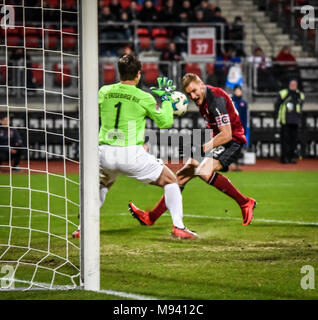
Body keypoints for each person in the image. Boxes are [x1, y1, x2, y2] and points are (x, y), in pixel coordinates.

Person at [73, 55, 197, 239]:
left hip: (103, 153)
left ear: (119, 72)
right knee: (171, 181)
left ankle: (82, 229)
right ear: (138, 74)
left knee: (101, 184)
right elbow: (165, 122)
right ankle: (178, 227)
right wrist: (165, 100)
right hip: (130, 153)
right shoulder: (143, 96)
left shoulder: (104, 91)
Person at [129, 73, 256, 228]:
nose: (193, 96)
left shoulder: (216, 100)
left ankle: (245, 202)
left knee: (203, 171)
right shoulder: (203, 100)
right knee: (181, 176)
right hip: (219, 140)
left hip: (232, 141)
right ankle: (150, 217)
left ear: (201, 84)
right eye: (189, 94)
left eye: (195, 91)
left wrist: (202, 148)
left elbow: (227, 134)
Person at [274, 78, 305, 164]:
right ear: (289, 84)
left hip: (295, 121)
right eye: (292, 84)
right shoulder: (284, 93)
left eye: (295, 84)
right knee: (285, 140)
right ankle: (284, 158)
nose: (293, 85)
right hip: (285, 120)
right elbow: (277, 105)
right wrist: (277, 116)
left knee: (294, 140)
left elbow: (300, 106)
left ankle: (292, 157)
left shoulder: (300, 95)